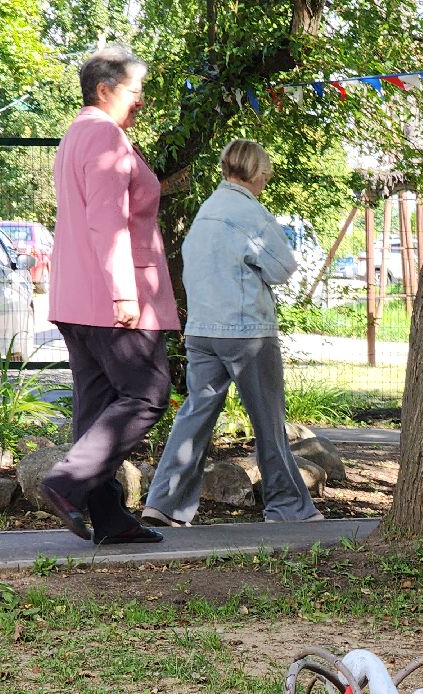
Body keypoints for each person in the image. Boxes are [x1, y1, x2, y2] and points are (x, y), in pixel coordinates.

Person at [140, 140, 321, 527]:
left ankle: (163, 503)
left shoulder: (206, 212)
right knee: (268, 421)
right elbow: (282, 268)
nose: (265, 183)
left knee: (195, 414)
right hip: (246, 331)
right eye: (265, 176)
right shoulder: (251, 214)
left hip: (202, 330)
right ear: (256, 173)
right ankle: (287, 507)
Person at [42, 47, 177, 544]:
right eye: (135, 91)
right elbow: (106, 220)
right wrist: (125, 295)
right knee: (148, 393)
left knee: (97, 407)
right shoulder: (104, 136)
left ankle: (111, 520)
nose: (140, 102)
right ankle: (66, 481)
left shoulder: (76, 134)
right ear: (105, 90)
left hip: (77, 297)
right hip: (114, 297)